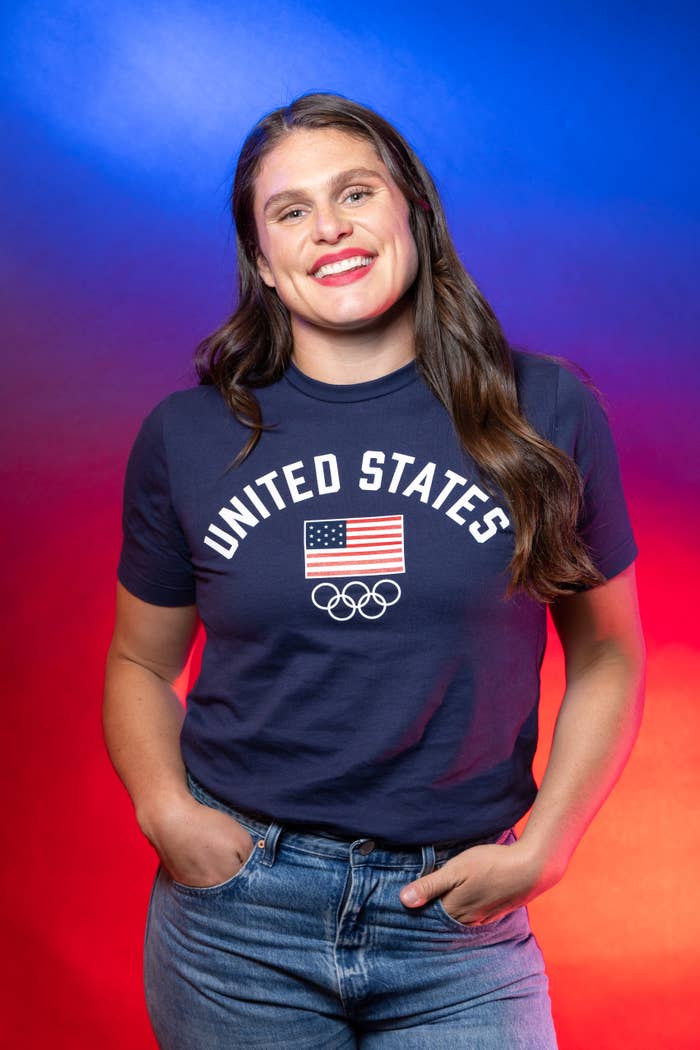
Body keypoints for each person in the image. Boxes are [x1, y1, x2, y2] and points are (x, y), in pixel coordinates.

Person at [102, 91, 646, 1049]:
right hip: (240, 919)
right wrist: (164, 811)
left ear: (413, 214)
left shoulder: (543, 410)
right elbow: (139, 665)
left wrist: (550, 845)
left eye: (355, 192)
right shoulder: (187, 437)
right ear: (263, 263)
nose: (331, 229)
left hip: (455, 920)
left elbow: (609, 654)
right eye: (292, 211)